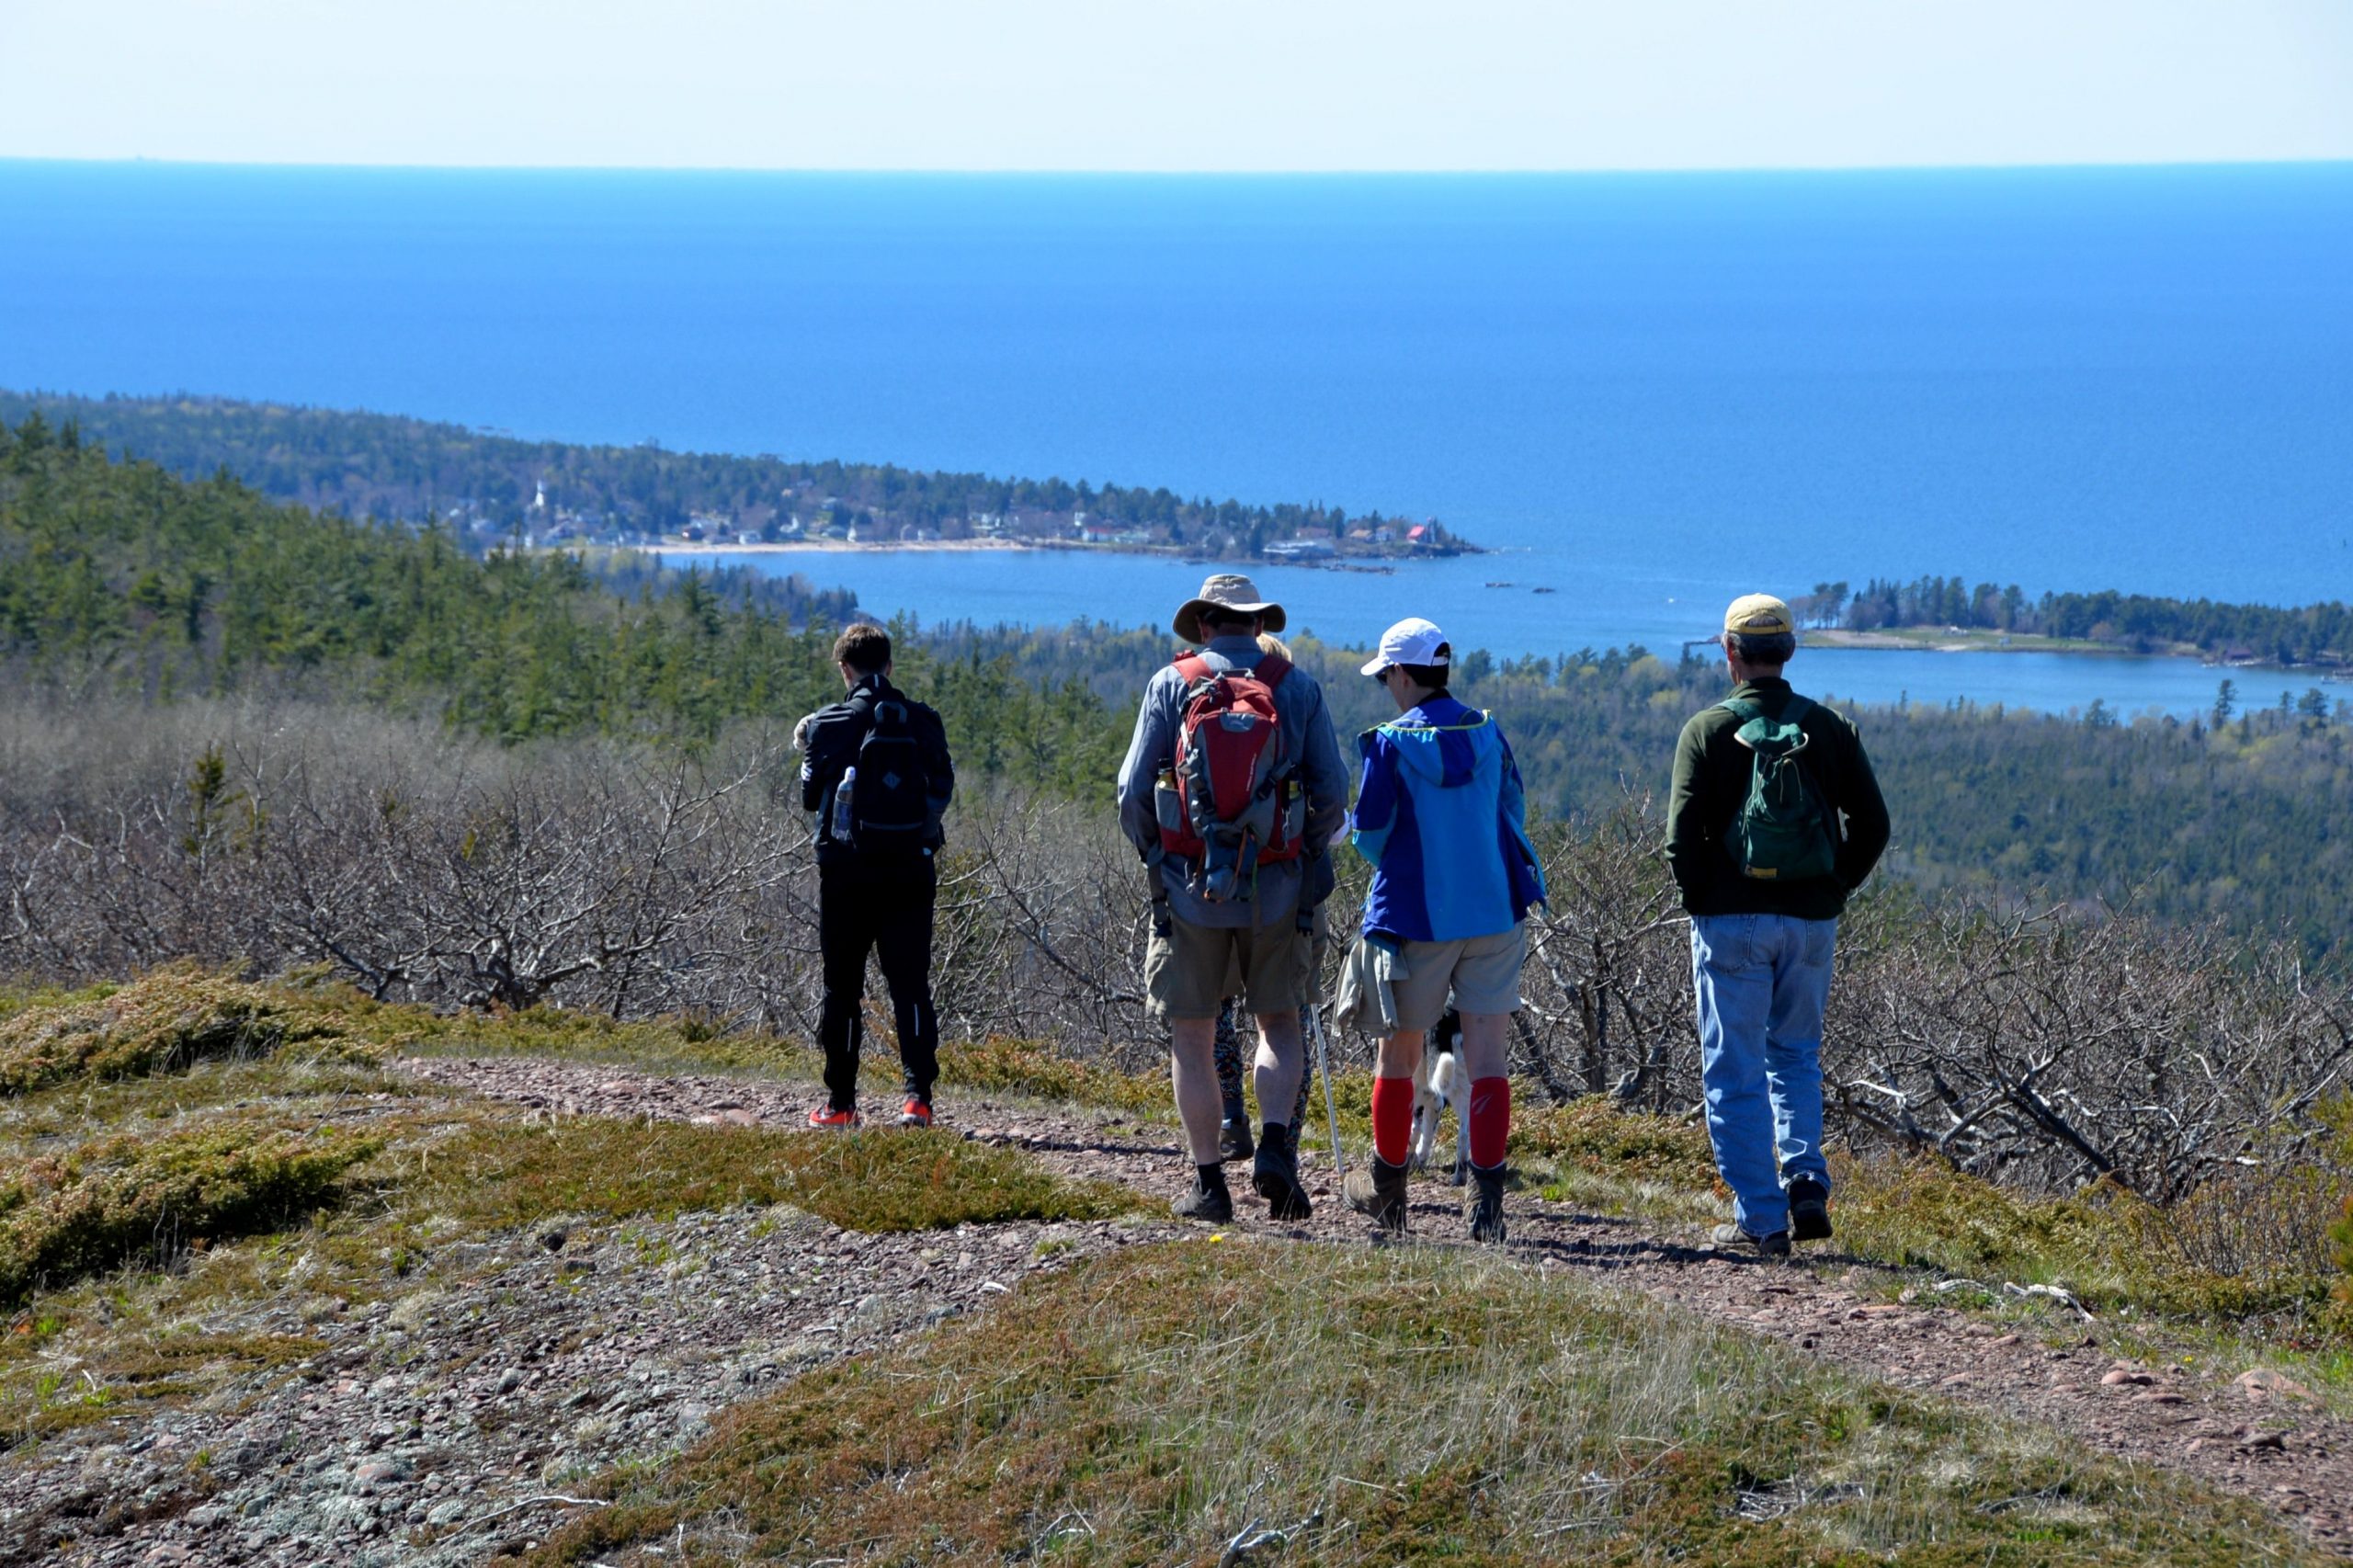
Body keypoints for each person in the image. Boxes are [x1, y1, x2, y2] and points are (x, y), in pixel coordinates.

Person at [1116, 574, 1347, 1222]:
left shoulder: (1172, 684)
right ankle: (1274, 1146)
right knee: (1279, 1021)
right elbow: (1331, 791)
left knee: (1192, 1035)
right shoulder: (1296, 688)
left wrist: (1159, 860)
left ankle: (1209, 1184)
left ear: (1205, 624)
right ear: (1254, 623)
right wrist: (1301, 856)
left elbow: (1132, 791)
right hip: (1280, 891)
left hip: (1190, 892)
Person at [1665, 594, 1889, 1257]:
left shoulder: (1706, 730)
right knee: (1793, 1055)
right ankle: (1806, 1180)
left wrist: (1708, 899)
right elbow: (1873, 827)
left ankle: (1762, 1221)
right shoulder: (1831, 729)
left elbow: (1680, 842)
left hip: (1730, 920)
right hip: (1811, 922)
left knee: (1733, 1069)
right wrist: (1832, 889)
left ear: (1729, 653)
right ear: (1789, 651)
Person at [1341, 617, 1545, 1241]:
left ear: (1403, 675)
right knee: (1487, 1058)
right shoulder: (1489, 733)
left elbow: (1370, 837)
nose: (1387, 688)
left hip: (1417, 917)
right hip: (1494, 913)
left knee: (1399, 1054)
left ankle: (1389, 1196)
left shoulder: (1389, 744)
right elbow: (1513, 809)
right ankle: (1487, 1209)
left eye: (1387, 678)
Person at [799, 623, 957, 1130]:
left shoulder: (828, 724)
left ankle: (841, 1104)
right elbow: (943, 786)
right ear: (889, 666)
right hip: (911, 868)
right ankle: (917, 1099)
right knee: (910, 984)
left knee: (842, 987)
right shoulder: (925, 721)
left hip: (845, 872)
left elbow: (808, 799)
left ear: (845, 669)